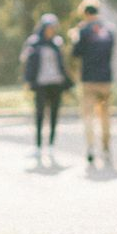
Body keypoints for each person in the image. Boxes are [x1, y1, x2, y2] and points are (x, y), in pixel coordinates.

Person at [71, 0, 117, 165]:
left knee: (88, 115)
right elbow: (111, 51)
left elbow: (75, 53)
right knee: (105, 115)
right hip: (105, 78)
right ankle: (106, 147)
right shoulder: (109, 30)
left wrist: (74, 36)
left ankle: (91, 146)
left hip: (89, 79)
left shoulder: (83, 31)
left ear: (84, 13)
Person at [20, 13, 71, 155]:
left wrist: (67, 82)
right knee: (39, 115)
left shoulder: (57, 42)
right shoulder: (34, 42)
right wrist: (28, 81)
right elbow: (26, 62)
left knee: (54, 114)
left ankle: (51, 145)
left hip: (56, 83)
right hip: (40, 84)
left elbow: (62, 65)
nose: (51, 30)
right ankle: (37, 145)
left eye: (53, 28)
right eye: (48, 27)